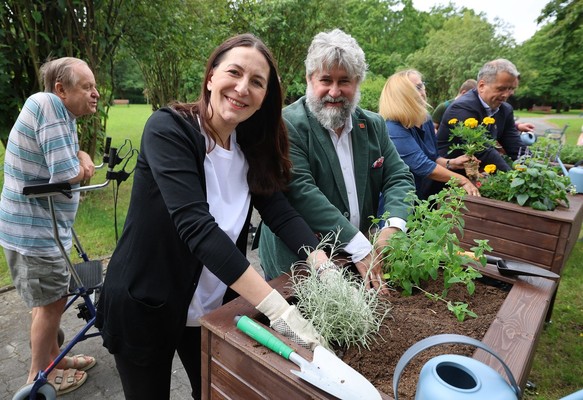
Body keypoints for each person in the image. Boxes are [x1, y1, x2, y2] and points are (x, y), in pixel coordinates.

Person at [95, 34, 329, 400]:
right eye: (233, 72)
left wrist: (321, 262)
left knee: (216, 392)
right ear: (210, 77)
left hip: (208, 307)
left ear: (265, 97)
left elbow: (280, 212)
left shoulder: (249, 147)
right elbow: (197, 228)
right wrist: (275, 307)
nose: (241, 87)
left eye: (256, 82)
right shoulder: (169, 129)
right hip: (145, 304)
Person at [258, 29, 415, 291]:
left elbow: (400, 177)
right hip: (299, 262)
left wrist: (394, 226)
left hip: (355, 258)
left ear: (358, 82)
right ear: (309, 79)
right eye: (325, 80)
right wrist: (358, 244)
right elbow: (301, 191)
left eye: (344, 81)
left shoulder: (373, 125)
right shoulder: (287, 125)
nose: (334, 91)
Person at [0, 57, 98, 394]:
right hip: (34, 234)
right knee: (51, 303)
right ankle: (37, 378)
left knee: (50, 300)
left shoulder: (58, 113)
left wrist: (82, 159)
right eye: (87, 87)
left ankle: (53, 359)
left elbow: (72, 158)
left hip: (41, 230)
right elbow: (64, 172)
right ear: (61, 89)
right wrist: (83, 166)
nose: (95, 93)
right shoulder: (49, 106)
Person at [379, 70, 480, 200]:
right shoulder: (392, 128)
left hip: (421, 195)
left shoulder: (425, 119)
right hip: (399, 199)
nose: (421, 92)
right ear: (401, 96)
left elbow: (433, 157)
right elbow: (423, 166)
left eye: (421, 86)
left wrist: (451, 162)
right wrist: (463, 180)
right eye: (415, 88)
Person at [436, 59, 524, 172]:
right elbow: (482, 149)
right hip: (449, 180)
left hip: (476, 176)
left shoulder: (505, 110)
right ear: (482, 86)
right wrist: (511, 177)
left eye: (511, 89)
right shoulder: (462, 107)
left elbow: (514, 144)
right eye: (501, 89)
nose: (506, 95)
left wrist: (533, 169)